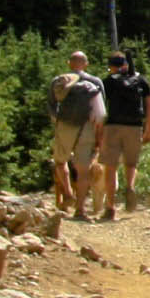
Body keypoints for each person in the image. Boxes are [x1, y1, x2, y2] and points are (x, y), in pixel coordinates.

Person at [95, 50, 150, 222]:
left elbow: (99, 107)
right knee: (131, 163)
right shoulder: (141, 80)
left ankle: (110, 207)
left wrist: (98, 132)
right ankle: (130, 187)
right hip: (134, 126)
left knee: (110, 167)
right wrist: (148, 129)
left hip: (113, 126)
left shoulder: (108, 82)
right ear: (126, 64)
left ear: (111, 66)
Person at [47, 50, 103, 220]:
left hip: (64, 125)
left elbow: (51, 106)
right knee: (84, 169)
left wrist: (58, 123)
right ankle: (80, 210)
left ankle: (68, 193)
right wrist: (98, 135)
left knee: (59, 161)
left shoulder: (58, 81)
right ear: (86, 64)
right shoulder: (95, 82)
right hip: (86, 127)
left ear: (69, 63)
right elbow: (100, 112)